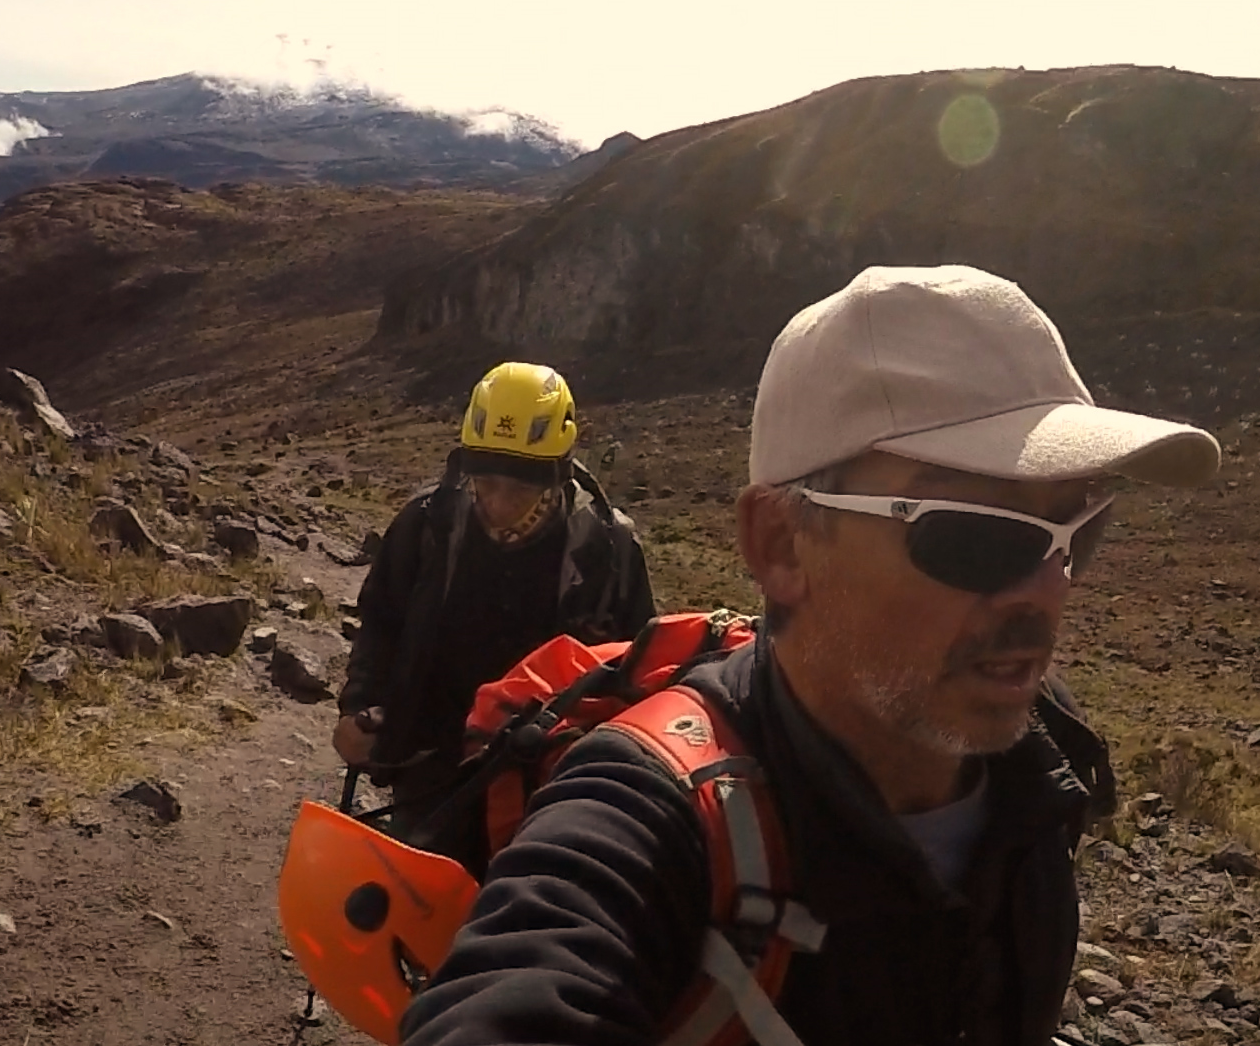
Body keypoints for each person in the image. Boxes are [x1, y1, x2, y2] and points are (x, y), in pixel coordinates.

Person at [396, 267, 1220, 1046]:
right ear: (782, 543)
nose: (1047, 592)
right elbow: (523, 983)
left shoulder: (1043, 749)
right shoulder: (646, 813)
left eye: (1081, 531)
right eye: (978, 537)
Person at [333, 361, 656, 858]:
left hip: (548, 783)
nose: (500, 503)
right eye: (487, 482)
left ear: (558, 470)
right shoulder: (428, 525)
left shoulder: (609, 550)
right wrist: (359, 706)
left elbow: (636, 670)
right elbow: (382, 620)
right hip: (431, 770)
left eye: (521, 488)